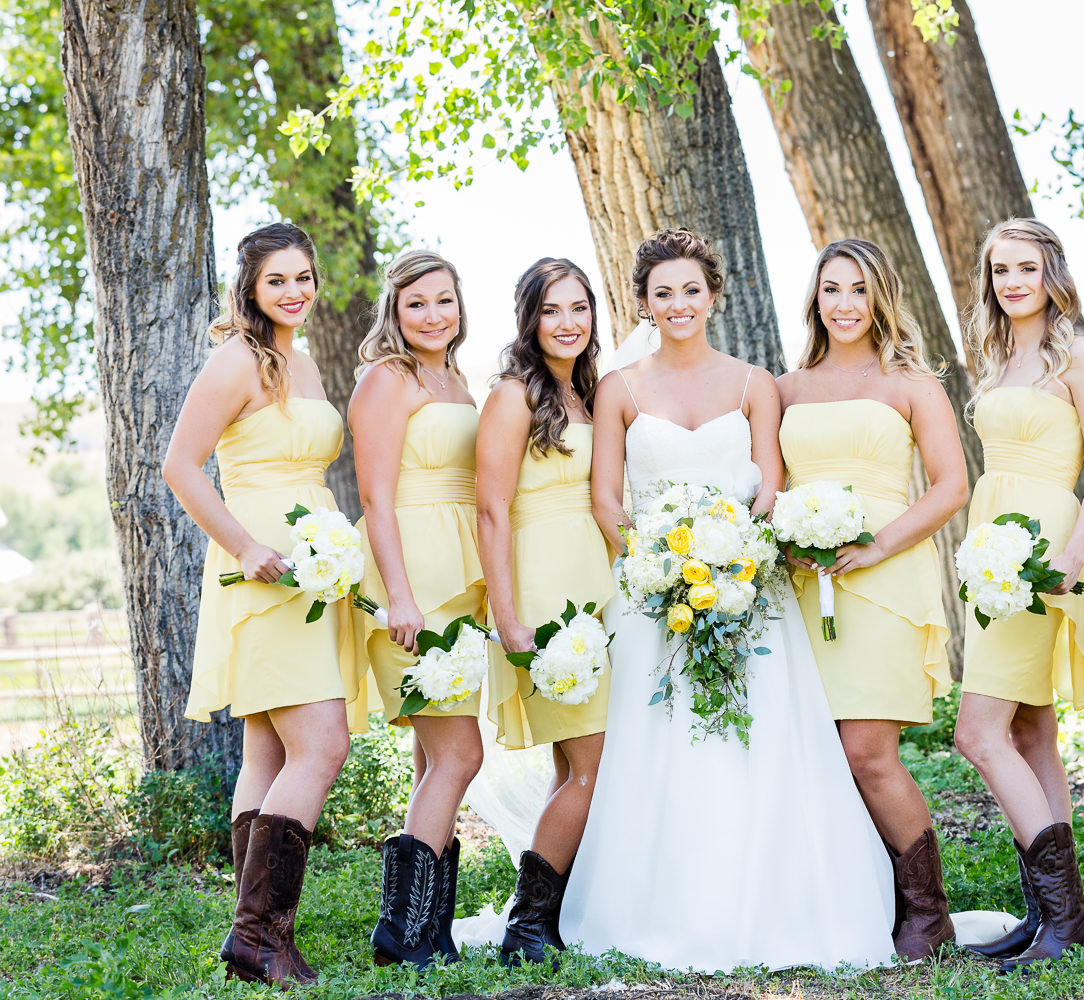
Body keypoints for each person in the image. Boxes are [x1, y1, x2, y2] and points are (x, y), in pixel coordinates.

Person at [559, 228, 895, 972]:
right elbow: (607, 500)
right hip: (653, 598)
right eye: (662, 293)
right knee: (660, 744)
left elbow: (770, 485)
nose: (678, 304)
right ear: (642, 303)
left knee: (759, 744)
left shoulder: (754, 385)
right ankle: (660, 907)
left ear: (713, 294)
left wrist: (735, 559)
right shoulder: (619, 387)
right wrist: (659, 566)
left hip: (749, 591)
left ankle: (776, 904)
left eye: (690, 290)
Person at [163, 222, 364, 985]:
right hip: (263, 572)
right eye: (278, 280)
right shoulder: (236, 361)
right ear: (250, 287)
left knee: (270, 752)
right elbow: (180, 466)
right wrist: (246, 546)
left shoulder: (302, 363)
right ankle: (258, 933)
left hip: (312, 576)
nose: (294, 292)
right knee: (324, 744)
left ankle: (255, 935)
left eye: (303, 277)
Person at [776, 238, 967, 959]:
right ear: (815, 299)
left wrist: (877, 546)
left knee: (868, 752)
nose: (845, 304)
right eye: (832, 289)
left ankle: (928, 910)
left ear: (880, 297)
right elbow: (771, 486)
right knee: (819, 752)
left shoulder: (911, 383)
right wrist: (786, 540)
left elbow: (951, 486)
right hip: (804, 584)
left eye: (858, 290)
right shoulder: (787, 387)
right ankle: (864, 899)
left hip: (884, 577)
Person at [954, 218, 1084, 972]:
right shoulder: (998, 353)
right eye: (999, 271)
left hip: (1042, 545)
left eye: (1025, 267)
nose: (1011, 282)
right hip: (994, 538)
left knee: (977, 732)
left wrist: (1072, 555)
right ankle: (1050, 915)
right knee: (1028, 732)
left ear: (1051, 271)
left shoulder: (1080, 352)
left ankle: (1066, 915)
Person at [348, 250, 486, 967]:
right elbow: (375, 495)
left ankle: (428, 927)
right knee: (463, 752)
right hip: (414, 584)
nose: (434, 316)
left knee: (434, 757)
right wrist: (400, 594)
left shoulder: (458, 382)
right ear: (394, 313)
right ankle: (400, 929)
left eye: (444, 301)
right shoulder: (387, 380)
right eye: (418, 304)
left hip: (462, 581)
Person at [476, 258, 615, 964]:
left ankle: (552, 917)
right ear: (530, 319)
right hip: (546, 594)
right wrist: (508, 614)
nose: (569, 323)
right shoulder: (513, 396)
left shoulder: (587, 394)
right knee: (589, 765)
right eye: (553, 310)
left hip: (599, 586)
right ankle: (527, 926)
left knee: (579, 764)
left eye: (580, 308)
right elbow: (492, 512)